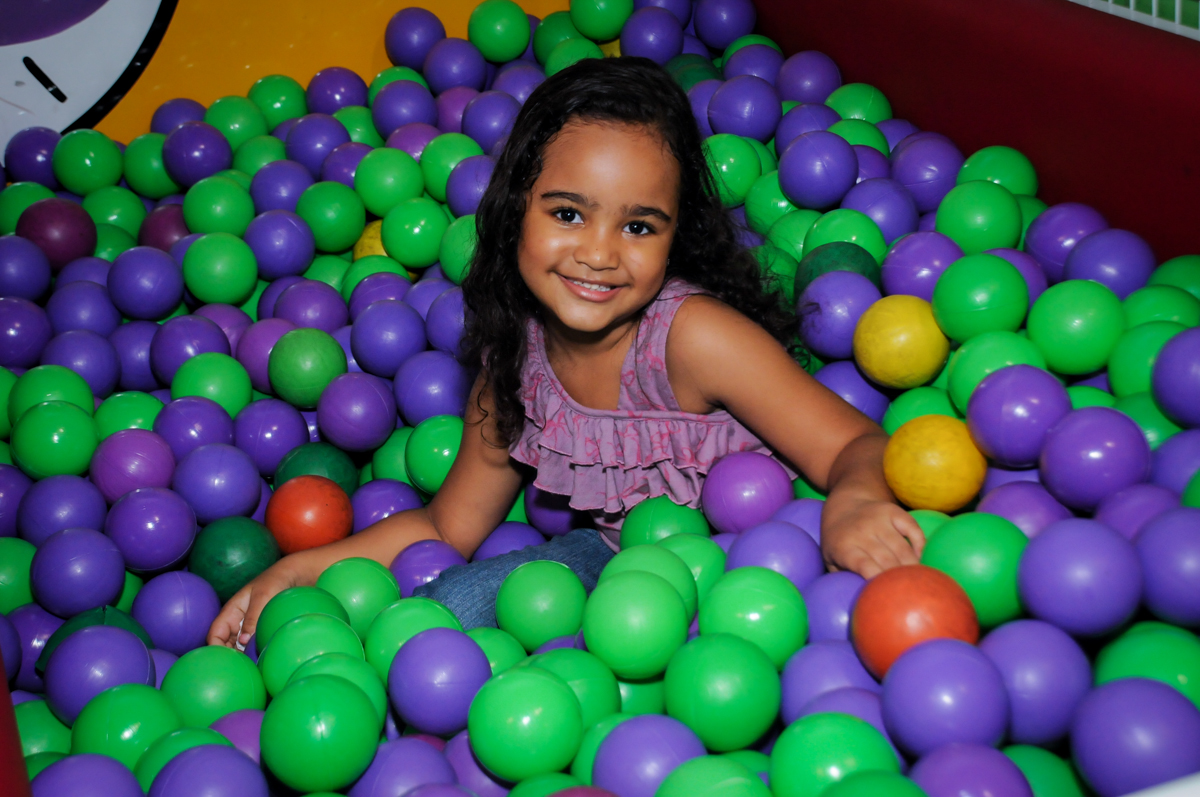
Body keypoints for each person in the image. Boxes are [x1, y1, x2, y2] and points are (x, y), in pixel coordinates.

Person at [207, 56, 924, 649]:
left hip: (774, 558)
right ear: (517, 203)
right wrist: (302, 569)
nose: (599, 254)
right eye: (569, 213)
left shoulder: (694, 338)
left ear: (675, 237)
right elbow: (445, 526)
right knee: (449, 613)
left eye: (639, 226)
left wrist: (854, 505)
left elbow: (854, 442)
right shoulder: (516, 370)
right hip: (625, 577)